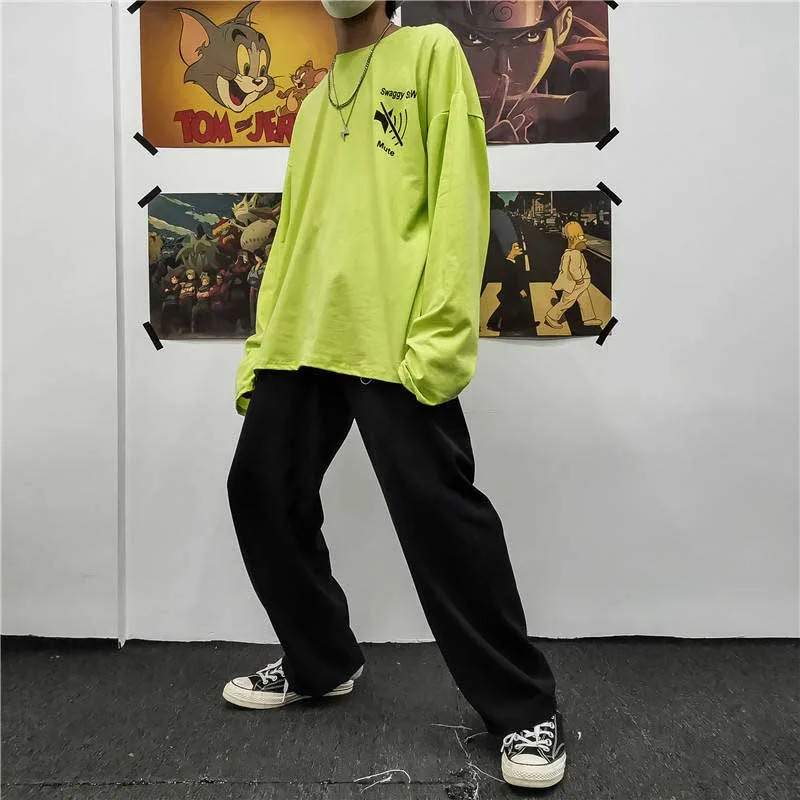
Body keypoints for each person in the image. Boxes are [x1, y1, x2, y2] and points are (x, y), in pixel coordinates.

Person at [224, 1, 566, 790]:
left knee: (439, 515)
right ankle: (321, 662)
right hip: (303, 332)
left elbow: (458, 197)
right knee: (260, 491)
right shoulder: (314, 103)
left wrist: (442, 336)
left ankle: (525, 707)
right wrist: (261, 348)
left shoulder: (430, 53)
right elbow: (295, 232)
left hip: (393, 333)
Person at [544, 220, 603, 330]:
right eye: (580, 237)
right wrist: (579, 280)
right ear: (572, 239)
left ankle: (588, 318)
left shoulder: (570, 252)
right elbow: (573, 269)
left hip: (578, 283)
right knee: (567, 301)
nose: (584, 241)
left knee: (584, 298)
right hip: (575, 283)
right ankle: (551, 317)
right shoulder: (574, 254)